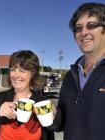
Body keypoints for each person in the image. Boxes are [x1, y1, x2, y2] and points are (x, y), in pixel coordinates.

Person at [0, 50, 55, 140]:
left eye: (22, 70)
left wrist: (54, 115)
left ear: (32, 74)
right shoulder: (0, 98)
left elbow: (50, 135)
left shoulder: (41, 103)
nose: (15, 75)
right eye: (13, 69)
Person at [54, 2, 105, 140]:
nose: (84, 32)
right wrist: (53, 114)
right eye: (78, 28)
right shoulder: (71, 76)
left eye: (91, 25)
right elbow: (60, 124)